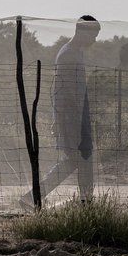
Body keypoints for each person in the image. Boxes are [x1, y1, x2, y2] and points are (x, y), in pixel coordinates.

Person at [39, 15, 99, 201]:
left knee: (78, 159)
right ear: (81, 31)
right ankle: (85, 201)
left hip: (78, 116)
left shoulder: (75, 52)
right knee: (79, 158)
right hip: (72, 117)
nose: (94, 40)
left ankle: (35, 197)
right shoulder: (68, 55)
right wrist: (61, 121)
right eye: (93, 35)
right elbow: (64, 92)